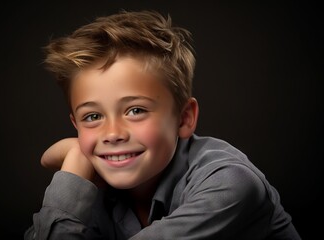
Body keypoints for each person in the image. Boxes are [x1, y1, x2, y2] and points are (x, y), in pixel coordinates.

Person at [24, 10, 301, 240]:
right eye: (93, 117)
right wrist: (75, 173)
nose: (112, 134)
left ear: (184, 118)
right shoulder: (97, 189)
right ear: (75, 124)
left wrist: (73, 163)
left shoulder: (230, 183)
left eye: (135, 110)